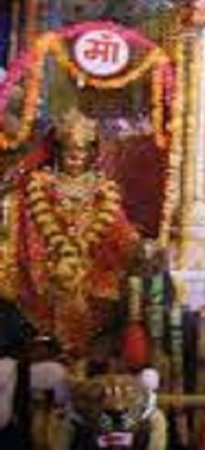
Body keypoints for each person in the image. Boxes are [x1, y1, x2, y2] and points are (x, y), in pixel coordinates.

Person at [0, 108, 139, 356]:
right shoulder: (40, 184)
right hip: (48, 270)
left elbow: (119, 233)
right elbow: (28, 227)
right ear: (58, 152)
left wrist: (133, 245)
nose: (75, 158)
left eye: (81, 152)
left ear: (91, 154)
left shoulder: (103, 189)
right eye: (69, 152)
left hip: (92, 271)